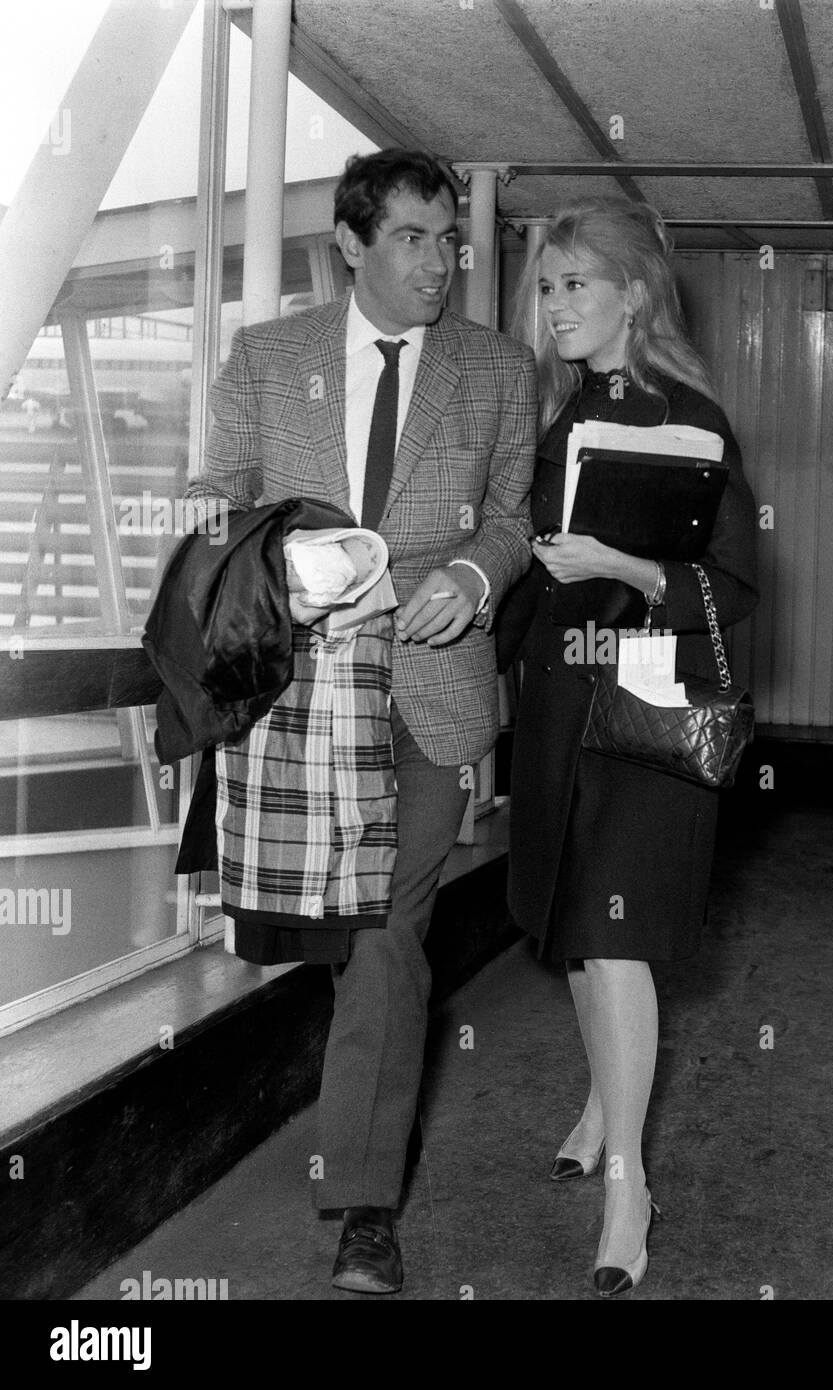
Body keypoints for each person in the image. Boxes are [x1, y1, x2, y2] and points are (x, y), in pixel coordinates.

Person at [188, 149, 537, 1294]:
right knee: (329, 942)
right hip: (294, 702)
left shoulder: (497, 369)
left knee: (388, 935)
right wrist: (273, 559)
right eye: (410, 238)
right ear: (349, 243)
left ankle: (360, 1202)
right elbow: (210, 501)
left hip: (429, 700)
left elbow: (511, 519)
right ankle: (360, 1126)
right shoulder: (266, 355)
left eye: (449, 241)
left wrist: (478, 582)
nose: (438, 262)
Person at [498, 197, 758, 1296]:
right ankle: (606, 1094)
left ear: (633, 295)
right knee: (571, 916)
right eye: (545, 286)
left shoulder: (690, 418)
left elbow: (734, 585)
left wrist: (626, 562)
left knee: (616, 935)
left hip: (647, 706)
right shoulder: (557, 413)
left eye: (575, 285)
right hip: (560, 698)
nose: (552, 305)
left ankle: (628, 1182)